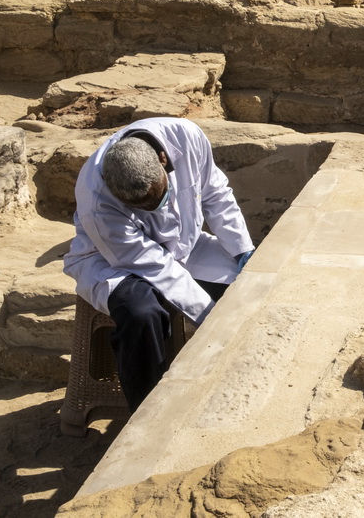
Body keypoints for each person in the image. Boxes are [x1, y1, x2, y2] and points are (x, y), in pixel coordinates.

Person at [63, 117, 255, 411]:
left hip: (185, 244)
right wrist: (209, 318)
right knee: (142, 313)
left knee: (246, 285)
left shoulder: (186, 136)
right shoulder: (96, 199)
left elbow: (215, 194)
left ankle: (238, 377)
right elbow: (154, 266)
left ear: (163, 159)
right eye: (139, 207)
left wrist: (242, 250)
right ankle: (147, 411)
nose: (151, 209)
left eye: (156, 198)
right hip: (110, 260)